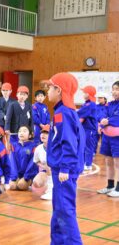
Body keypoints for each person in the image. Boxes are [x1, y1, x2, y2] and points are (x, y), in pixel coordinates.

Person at [44, 72, 85, 244]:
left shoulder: (63, 113)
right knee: (59, 210)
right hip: (61, 168)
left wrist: (65, 168)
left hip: (64, 170)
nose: (47, 91)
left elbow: (69, 143)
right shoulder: (63, 111)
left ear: (58, 90)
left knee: (65, 210)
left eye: (49, 87)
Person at [97, 81, 119, 197]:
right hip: (106, 137)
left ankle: (118, 189)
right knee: (108, 162)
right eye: (113, 89)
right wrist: (102, 122)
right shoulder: (109, 104)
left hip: (117, 138)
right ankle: (110, 186)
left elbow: (116, 119)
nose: (114, 91)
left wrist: (108, 121)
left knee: (117, 163)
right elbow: (101, 114)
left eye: (117, 89)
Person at [8, 126, 38, 191]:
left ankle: (29, 182)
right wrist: (14, 177)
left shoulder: (33, 146)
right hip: (17, 174)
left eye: (24, 131)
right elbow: (12, 162)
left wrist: (26, 177)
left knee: (21, 186)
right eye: (20, 131)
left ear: (30, 135)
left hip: (28, 175)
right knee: (12, 186)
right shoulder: (13, 145)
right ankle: (18, 179)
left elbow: (32, 163)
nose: (21, 133)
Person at [77, 86, 98, 171]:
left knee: (88, 147)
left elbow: (80, 113)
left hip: (90, 130)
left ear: (88, 94)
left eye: (84, 92)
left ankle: (88, 164)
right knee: (84, 146)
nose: (83, 94)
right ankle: (85, 162)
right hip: (85, 129)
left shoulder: (90, 104)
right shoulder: (86, 103)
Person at [32, 125, 53, 200]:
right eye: (42, 133)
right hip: (46, 170)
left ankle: (52, 191)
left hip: (58, 171)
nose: (43, 135)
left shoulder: (56, 147)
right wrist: (44, 166)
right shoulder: (38, 148)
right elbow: (36, 161)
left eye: (46, 133)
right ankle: (49, 186)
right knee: (36, 183)